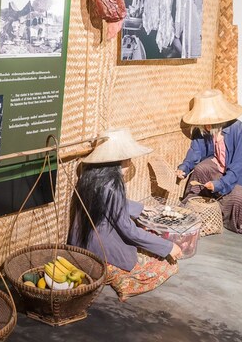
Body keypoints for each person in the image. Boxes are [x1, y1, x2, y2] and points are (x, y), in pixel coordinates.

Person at [69, 129, 183, 301]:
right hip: (101, 251)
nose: (130, 162)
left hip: (81, 246)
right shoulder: (112, 185)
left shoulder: (90, 176)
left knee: (146, 244)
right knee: (167, 265)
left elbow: (108, 204)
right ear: (118, 160)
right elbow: (129, 230)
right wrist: (167, 246)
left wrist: (140, 207)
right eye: (127, 158)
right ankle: (122, 282)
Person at [175, 89, 242, 235]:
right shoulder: (201, 129)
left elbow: (238, 164)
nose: (206, 125)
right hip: (217, 164)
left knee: (238, 196)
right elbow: (195, 152)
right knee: (200, 169)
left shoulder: (237, 128)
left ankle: (222, 219)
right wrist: (184, 168)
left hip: (238, 171)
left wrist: (220, 184)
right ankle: (193, 208)